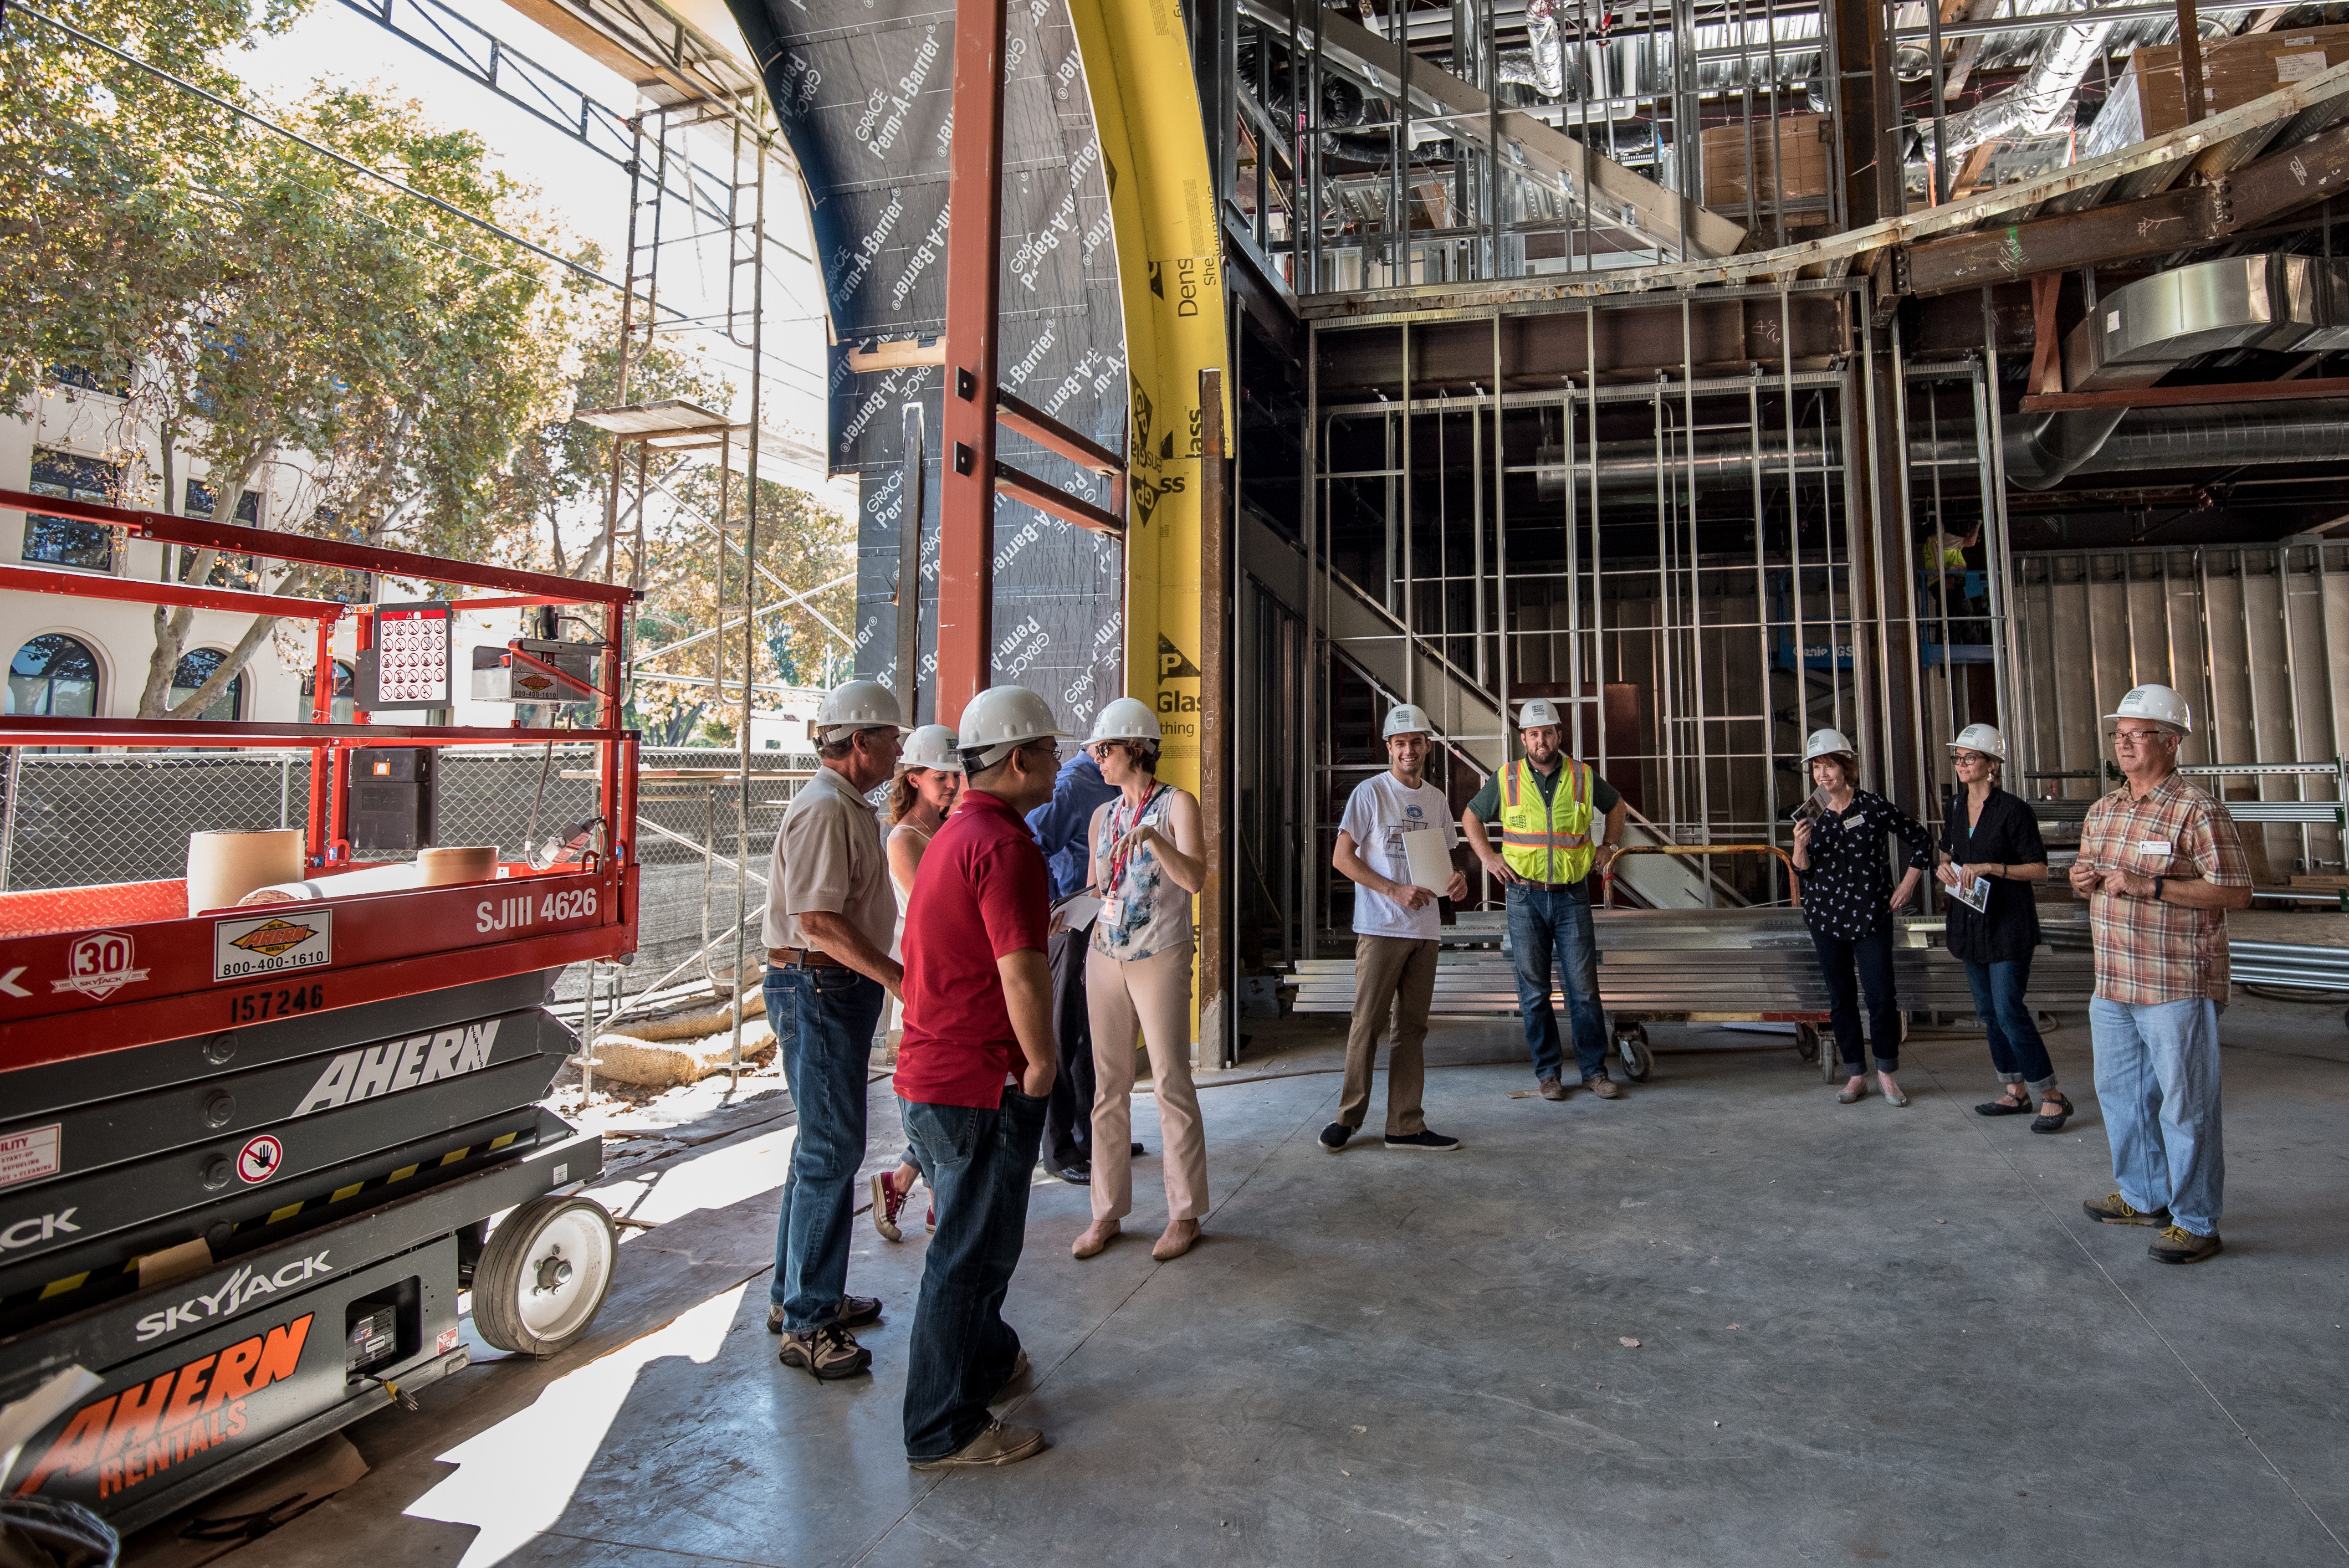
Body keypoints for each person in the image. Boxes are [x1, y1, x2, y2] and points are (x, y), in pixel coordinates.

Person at [895, 684, 1068, 1469]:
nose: (1060, 766)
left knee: (981, 1246)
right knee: (967, 1256)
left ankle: (987, 1363)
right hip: (977, 1079)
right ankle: (942, 1426)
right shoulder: (1004, 846)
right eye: (1053, 752)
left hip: (939, 1072)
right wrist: (1040, 1060)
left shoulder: (957, 834)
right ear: (1022, 757)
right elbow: (1020, 971)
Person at [2068, 684, 2252, 1266]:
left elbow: (2237, 890)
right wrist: (2081, 879)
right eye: (2118, 733)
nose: (2123, 741)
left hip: (2175, 983)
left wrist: (2151, 885)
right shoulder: (2104, 810)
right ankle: (2145, 1197)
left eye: (2137, 732)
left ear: (2170, 743)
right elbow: (2092, 873)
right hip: (2114, 982)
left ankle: (2197, 1219)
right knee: (2122, 1097)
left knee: (2185, 1104)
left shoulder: (2197, 809)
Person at [762, 679, 905, 1379]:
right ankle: (810, 1323)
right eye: (892, 738)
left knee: (818, 1147)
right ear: (859, 744)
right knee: (831, 1149)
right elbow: (816, 922)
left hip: (829, 987)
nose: (900, 749)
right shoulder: (825, 809)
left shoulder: (843, 804)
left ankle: (793, 1296)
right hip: (818, 985)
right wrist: (893, 975)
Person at [1070, 699, 1210, 1263]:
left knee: (1171, 1081)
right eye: (1096, 751)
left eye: (1105, 749)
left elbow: (1196, 879)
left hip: (1161, 953)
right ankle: (1106, 1210)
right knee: (1108, 1085)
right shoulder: (1103, 816)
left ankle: (1185, 1212)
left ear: (1136, 747)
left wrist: (1156, 838)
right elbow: (1096, 887)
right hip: (1105, 954)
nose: (1098, 759)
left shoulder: (1178, 804)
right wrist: (1071, 910)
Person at [1461, 697, 1629, 1102]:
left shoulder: (1582, 776)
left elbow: (1617, 806)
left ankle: (1593, 1071)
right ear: (1524, 738)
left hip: (1571, 896)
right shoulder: (1507, 778)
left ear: (1558, 735)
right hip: (1523, 897)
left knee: (1583, 990)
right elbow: (1471, 817)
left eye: (1547, 732)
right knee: (1534, 990)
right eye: (1533, 734)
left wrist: (1608, 845)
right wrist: (1488, 858)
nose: (1541, 740)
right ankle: (1549, 1074)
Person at [1324, 703, 1471, 1154]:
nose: (1409, 750)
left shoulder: (1435, 799)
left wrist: (1457, 881)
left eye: (1416, 742)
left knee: (1412, 1028)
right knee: (1366, 1024)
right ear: (1389, 746)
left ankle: (1405, 1124)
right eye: (1400, 743)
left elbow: (1445, 861)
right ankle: (1348, 1118)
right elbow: (1341, 859)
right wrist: (1393, 891)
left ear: (1427, 746)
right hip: (1382, 926)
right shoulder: (1370, 793)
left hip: (1424, 930)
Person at [1934, 723, 2068, 1132]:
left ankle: (2052, 1096)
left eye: (1969, 758)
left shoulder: (2013, 810)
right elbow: (1948, 849)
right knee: (1988, 1013)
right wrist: (1943, 866)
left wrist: (1992, 868)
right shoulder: (1955, 807)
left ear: (1991, 765)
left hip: (2007, 926)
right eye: (1957, 758)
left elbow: (2040, 869)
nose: (1961, 764)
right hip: (1969, 923)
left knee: (2009, 1010)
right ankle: (2014, 1092)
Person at [1789, 727, 1932, 1106]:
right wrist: (1798, 847)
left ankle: (1886, 1072)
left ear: (1846, 768)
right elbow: (1803, 870)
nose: (1822, 775)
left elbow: (1921, 841)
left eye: (1829, 766)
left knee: (1881, 994)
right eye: (1816, 767)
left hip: (1870, 915)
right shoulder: (1811, 815)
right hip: (1825, 918)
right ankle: (1855, 1073)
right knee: (1841, 998)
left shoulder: (1872, 807)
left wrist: (1907, 885)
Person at [871, 724, 964, 1244]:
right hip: (919, 982)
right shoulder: (905, 839)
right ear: (913, 777)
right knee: (927, 1095)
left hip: (944, 976)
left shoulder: (945, 831)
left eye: (955, 775)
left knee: (945, 1093)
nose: (951, 785)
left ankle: (906, 1182)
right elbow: (939, 911)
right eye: (941, 777)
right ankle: (931, 1199)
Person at [1026, 719, 1120, 1184]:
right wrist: (1050, 904)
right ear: (1104, 749)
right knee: (1062, 1036)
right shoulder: (1074, 785)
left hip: (1097, 922)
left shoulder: (1107, 787)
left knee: (1090, 1033)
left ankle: (1092, 1134)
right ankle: (1060, 1149)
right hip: (1070, 927)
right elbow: (1030, 842)